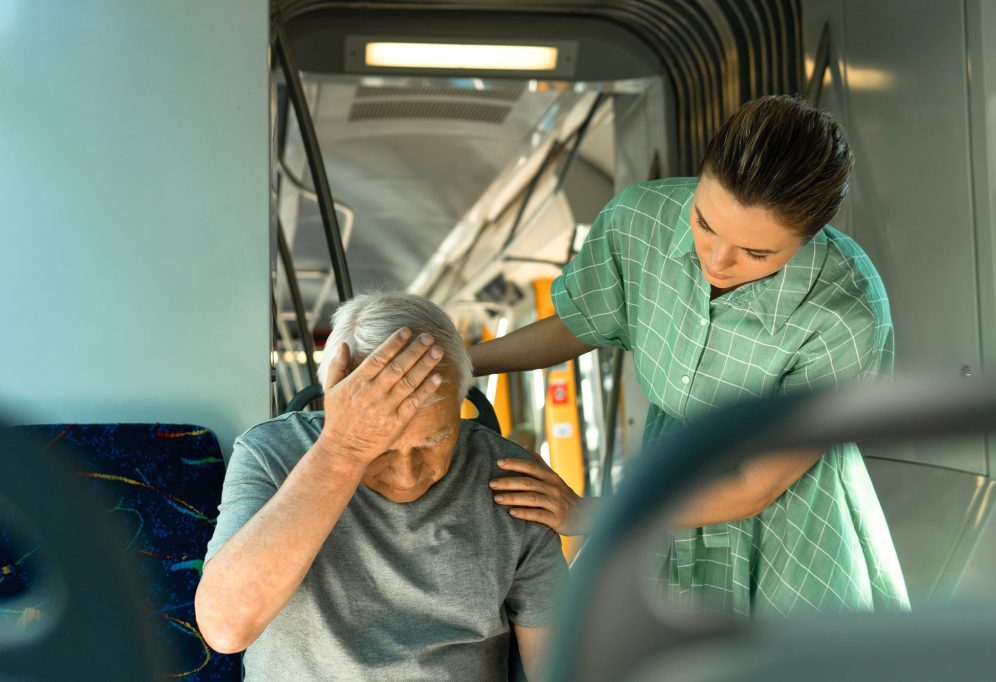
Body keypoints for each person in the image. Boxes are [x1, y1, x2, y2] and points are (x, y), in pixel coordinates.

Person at [472, 95, 910, 616]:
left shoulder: (846, 310)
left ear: (811, 236)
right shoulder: (640, 222)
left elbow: (754, 486)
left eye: (756, 253)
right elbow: (581, 322)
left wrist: (588, 513)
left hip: (790, 520)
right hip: (669, 475)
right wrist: (466, 362)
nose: (718, 260)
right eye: (704, 224)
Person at [195, 292, 566, 680]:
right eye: (381, 448)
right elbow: (225, 628)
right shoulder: (272, 455)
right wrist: (342, 450)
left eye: (434, 441)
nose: (407, 475)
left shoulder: (509, 477)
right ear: (333, 402)